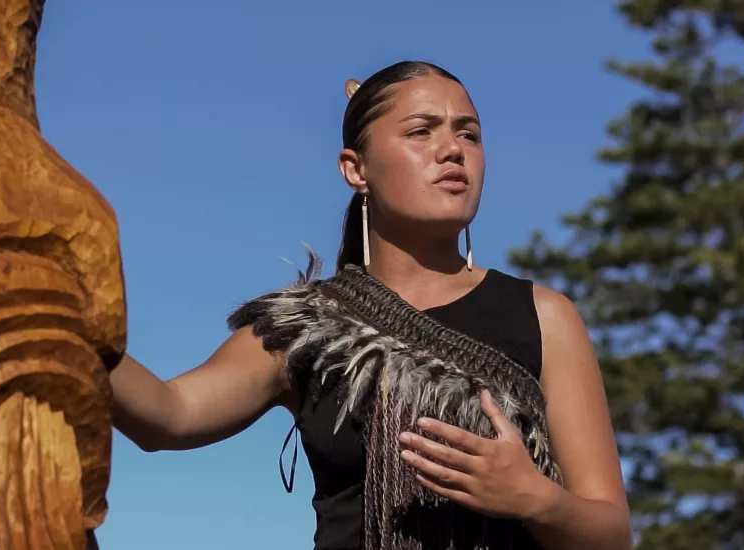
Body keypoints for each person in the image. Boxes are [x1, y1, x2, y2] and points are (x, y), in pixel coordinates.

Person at [109, 60, 632, 550]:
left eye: (467, 133)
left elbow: (611, 532)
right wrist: (59, 324)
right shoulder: (308, 325)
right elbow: (167, 416)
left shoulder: (544, 315)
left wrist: (533, 498)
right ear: (355, 169)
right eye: (420, 131)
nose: (452, 150)